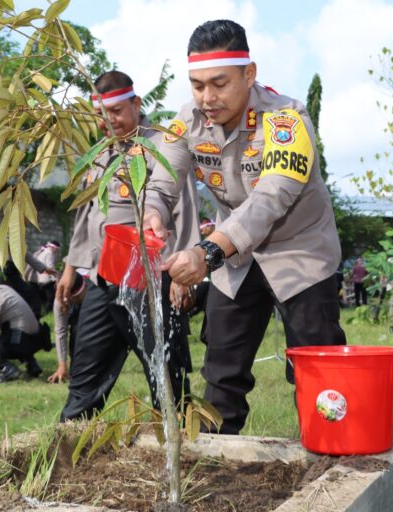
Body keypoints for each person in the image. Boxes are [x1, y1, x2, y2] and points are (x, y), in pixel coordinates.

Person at [143, 20, 346, 434]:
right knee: (221, 370)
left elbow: (272, 197)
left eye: (219, 83)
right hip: (235, 259)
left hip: (299, 251)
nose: (207, 97)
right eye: (197, 85)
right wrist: (152, 216)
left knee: (317, 368)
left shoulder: (287, 118)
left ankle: (333, 459)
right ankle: (218, 461)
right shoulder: (186, 123)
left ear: (248, 74)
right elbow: (162, 184)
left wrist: (209, 252)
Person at [55, 70, 199, 421]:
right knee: (87, 361)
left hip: (150, 279)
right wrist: (71, 269)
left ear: (136, 103)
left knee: (165, 371)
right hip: (103, 279)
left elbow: (184, 207)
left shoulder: (161, 144)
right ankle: (72, 434)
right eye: (103, 117)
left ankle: (178, 436)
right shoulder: (101, 153)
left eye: (117, 111)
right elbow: (88, 214)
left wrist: (183, 274)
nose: (110, 122)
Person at [0, 252, 58, 320]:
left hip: (13, 272)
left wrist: (44, 268)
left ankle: (33, 323)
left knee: (31, 298)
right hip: (5, 272)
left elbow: (27, 256)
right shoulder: (8, 241)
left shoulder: (20, 244)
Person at [48, 272, 87, 384]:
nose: (72, 301)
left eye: (76, 297)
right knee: (75, 330)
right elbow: (61, 331)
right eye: (69, 299)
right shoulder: (60, 298)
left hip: (91, 306)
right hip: (74, 315)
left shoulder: (93, 290)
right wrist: (62, 365)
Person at [25, 241, 60, 314]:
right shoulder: (50, 253)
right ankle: (46, 313)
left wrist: (25, 276)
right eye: (57, 249)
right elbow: (50, 267)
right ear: (53, 247)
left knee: (40, 300)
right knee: (51, 299)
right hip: (46, 280)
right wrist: (57, 278)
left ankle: (42, 313)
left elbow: (29, 267)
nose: (57, 251)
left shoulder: (41, 252)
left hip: (37, 280)